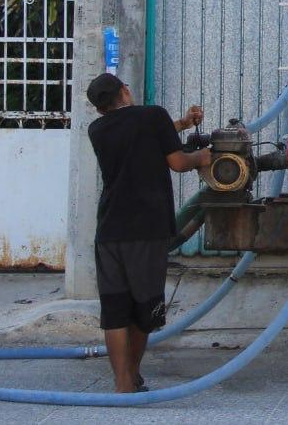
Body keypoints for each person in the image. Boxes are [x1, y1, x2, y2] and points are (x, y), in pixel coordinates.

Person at [85, 73, 210, 393]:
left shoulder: (97, 129)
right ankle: (134, 373)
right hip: (146, 228)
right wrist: (203, 157)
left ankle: (122, 381)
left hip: (109, 230)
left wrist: (181, 123)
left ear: (99, 109)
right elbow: (178, 162)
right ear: (126, 90)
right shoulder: (152, 115)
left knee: (114, 309)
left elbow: (140, 137)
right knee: (144, 307)